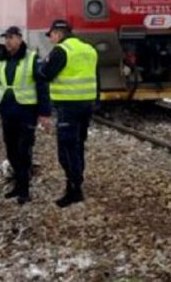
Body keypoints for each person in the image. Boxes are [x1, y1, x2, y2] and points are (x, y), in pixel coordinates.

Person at [37, 19, 98, 208]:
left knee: (66, 149)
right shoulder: (89, 49)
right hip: (86, 105)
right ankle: (77, 181)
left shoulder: (61, 51)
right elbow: (97, 76)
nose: (51, 39)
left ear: (58, 33)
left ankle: (74, 189)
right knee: (78, 145)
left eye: (52, 35)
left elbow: (45, 74)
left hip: (68, 107)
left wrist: (42, 65)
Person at [0, 26, 50, 205]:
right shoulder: (1, 59)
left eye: (11, 37)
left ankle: (24, 190)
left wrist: (44, 112)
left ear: (19, 38)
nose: (7, 41)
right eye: (5, 38)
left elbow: (42, 86)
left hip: (26, 112)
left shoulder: (31, 58)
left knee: (24, 151)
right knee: (11, 150)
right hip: (7, 112)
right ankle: (17, 185)